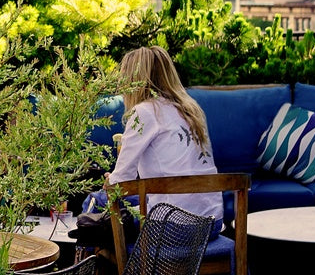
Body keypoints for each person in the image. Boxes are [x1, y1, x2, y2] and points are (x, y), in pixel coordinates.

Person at [84, 46, 223, 230]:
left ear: (134, 81)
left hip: (174, 227)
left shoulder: (145, 112)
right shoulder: (192, 110)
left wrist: (111, 180)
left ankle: (98, 259)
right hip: (211, 223)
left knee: (95, 200)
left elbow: (121, 182)